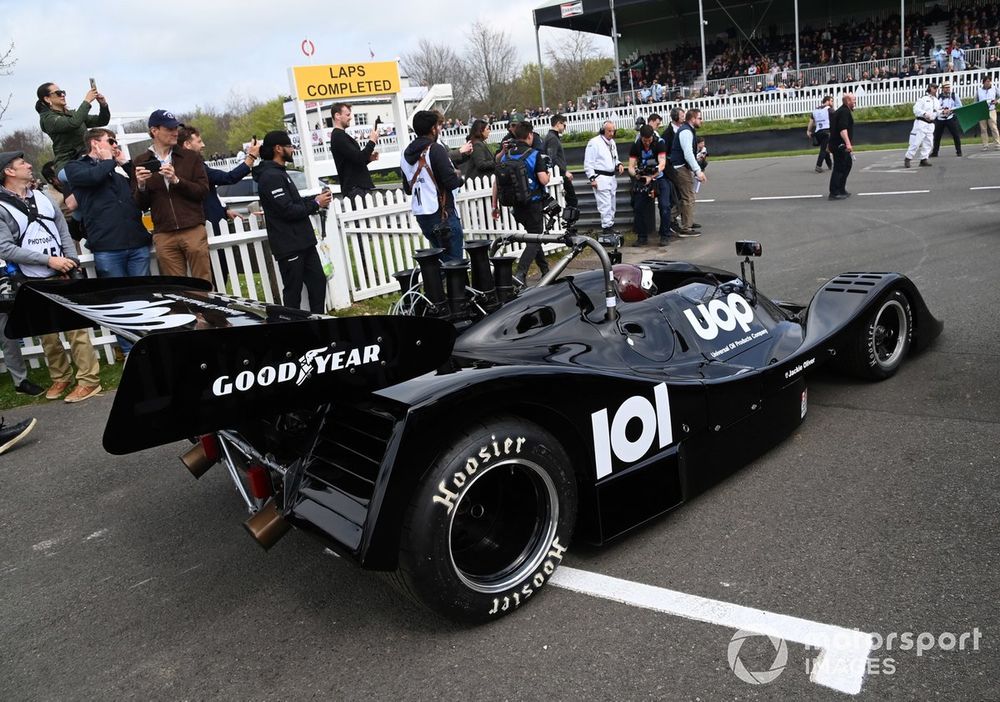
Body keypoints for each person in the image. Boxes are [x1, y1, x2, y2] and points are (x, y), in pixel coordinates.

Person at [0, 151, 101, 402]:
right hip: (32, 275)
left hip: (61, 270)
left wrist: (70, 260)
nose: (28, 165)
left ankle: (89, 380)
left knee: (75, 329)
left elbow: (62, 230)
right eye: (22, 163)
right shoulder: (1, 207)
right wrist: (48, 260)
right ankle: (61, 377)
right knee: (46, 333)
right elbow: (5, 248)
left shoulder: (42, 197)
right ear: (8, 172)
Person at [64, 129, 152, 357]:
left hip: (137, 242)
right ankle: (130, 352)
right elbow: (93, 178)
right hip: (107, 247)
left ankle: (148, 347)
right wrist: (107, 160)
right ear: (95, 143)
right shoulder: (76, 168)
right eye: (110, 141)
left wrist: (126, 163)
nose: (115, 145)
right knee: (119, 304)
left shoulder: (116, 169)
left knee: (142, 298)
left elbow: (142, 190)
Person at [253, 131, 332, 313]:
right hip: (288, 245)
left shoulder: (280, 173)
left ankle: (318, 321)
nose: (292, 149)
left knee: (318, 282)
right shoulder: (270, 176)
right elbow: (287, 210)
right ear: (278, 149)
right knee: (293, 292)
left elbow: (294, 202)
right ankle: (293, 327)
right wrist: (316, 204)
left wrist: (316, 199)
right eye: (289, 146)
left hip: (304, 242)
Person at [133, 110, 211, 282]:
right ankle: (182, 310)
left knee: (203, 282)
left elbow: (202, 191)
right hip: (164, 233)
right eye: (169, 128)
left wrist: (176, 180)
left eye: (175, 127)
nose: (175, 132)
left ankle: (204, 310)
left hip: (192, 228)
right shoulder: (140, 161)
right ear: (154, 131)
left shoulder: (190, 157)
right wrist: (141, 185)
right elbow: (140, 204)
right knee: (176, 288)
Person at [401, 110, 465, 261]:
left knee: (439, 261)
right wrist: (458, 177)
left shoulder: (405, 154)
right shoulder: (435, 149)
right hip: (443, 214)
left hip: (423, 215)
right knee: (455, 264)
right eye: (437, 126)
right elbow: (451, 183)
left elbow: (408, 189)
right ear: (433, 128)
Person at [491, 120, 551, 282]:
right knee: (535, 239)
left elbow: (497, 182)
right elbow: (543, 180)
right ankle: (521, 274)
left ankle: (546, 270)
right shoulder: (534, 154)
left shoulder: (506, 156)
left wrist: (494, 205)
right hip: (533, 203)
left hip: (515, 205)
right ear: (530, 135)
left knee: (533, 237)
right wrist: (548, 173)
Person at [179, 125, 260, 236]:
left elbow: (208, 197)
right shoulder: (194, 169)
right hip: (210, 229)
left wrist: (224, 211)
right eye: (199, 141)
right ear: (187, 144)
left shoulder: (187, 166)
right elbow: (229, 177)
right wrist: (251, 157)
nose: (203, 145)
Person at [36, 82, 110, 173]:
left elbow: (102, 121)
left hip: (86, 159)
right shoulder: (48, 120)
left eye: (63, 92)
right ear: (47, 99)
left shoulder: (73, 114)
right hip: (67, 164)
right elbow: (74, 123)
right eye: (58, 93)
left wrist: (103, 105)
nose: (62, 95)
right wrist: (87, 101)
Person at [329, 103, 379, 201]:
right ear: (337, 116)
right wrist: (372, 140)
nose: (350, 118)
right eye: (347, 115)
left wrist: (369, 158)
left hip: (357, 188)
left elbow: (355, 161)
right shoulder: (338, 136)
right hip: (355, 190)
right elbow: (359, 157)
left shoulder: (341, 136)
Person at [667, 109, 705, 236]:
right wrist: (698, 171)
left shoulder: (686, 130)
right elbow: (688, 153)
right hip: (680, 167)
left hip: (682, 167)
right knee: (688, 197)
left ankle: (670, 219)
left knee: (686, 197)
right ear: (692, 119)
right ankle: (685, 227)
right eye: (699, 118)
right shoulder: (686, 132)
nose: (701, 120)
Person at [628, 125, 666, 246]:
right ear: (641, 137)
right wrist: (637, 174)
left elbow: (662, 163)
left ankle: (664, 235)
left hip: (658, 177)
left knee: (665, 206)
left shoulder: (659, 143)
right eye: (645, 140)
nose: (647, 142)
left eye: (649, 140)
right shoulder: (636, 145)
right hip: (643, 179)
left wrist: (653, 175)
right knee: (638, 207)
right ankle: (642, 236)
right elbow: (630, 166)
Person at [583, 121, 623, 237]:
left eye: (613, 131)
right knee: (604, 204)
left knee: (612, 204)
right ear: (603, 131)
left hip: (611, 177)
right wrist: (592, 178)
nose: (611, 133)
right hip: (600, 177)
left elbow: (614, 158)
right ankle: (606, 227)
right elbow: (588, 162)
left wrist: (618, 164)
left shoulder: (612, 143)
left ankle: (610, 226)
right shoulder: (594, 143)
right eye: (609, 131)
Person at [542, 114, 577, 207]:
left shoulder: (552, 137)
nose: (565, 128)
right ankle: (566, 221)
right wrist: (564, 172)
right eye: (564, 125)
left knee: (563, 201)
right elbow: (551, 158)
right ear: (558, 124)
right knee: (572, 201)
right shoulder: (552, 138)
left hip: (558, 174)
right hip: (558, 175)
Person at [904, 84, 941, 168]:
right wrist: (924, 113)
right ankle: (908, 158)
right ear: (929, 88)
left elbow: (937, 112)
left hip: (931, 124)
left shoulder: (936, 100)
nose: (936, 90)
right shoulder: (923, 99)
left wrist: (943, 112)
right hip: (921, 123)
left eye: (937, 88)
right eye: (934, 88)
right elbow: (916, 109)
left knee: (929, 143)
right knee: (916, 142)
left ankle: (924, 159)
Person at [828, 93, 856, 200]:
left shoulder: (843, 111)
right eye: (853, 100)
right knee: (839, 167)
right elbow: (842, 130)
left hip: (838, 144)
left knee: (847, 164)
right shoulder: (844, 112)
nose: (855, 102)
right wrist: (848, 143)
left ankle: (841, 188)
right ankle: (834, 192)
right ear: (848, 101)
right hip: (839, 145)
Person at [931, 82, 963, 158]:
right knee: (937, 136)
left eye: (949, 87)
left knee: (955, 135)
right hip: (940, 118)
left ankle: (959, 151)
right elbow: (935, 108)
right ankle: (935, 152)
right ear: (942, 89)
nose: (948, 89)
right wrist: (942, 110)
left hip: (950, 118)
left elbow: (959, 106)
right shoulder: (938, 97)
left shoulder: (954, 95)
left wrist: (951, 110)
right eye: (946, 87)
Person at [806, 95, 834, 173]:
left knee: (824, 148)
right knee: (824, 149)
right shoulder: (830, 110)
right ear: (827, 101)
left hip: (818, 132)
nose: (832, 103)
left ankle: (830, 164)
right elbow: (836, 119)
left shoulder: (815, 110)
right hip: (826, 132)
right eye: (831, 101)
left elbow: (811, 122)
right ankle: (818, 166)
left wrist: (808, 131)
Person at [976, 76, 1000, 150]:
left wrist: (997, 101)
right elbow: (976, 101)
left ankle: (997, 144)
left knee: (993, 127)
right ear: (983, 82)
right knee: (983, 129)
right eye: (987, 81)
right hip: (981, 111)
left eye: (989, 81)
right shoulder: (979, 90)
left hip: (991, 110)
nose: (988, 83)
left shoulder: (994, 89)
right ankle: (985, 145)